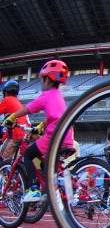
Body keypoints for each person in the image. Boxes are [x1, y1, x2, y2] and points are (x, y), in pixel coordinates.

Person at [3, 60, 75, 203]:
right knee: (45, 164)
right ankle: (50, 190)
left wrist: (12, 116)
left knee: (28, 155)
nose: (42, 83)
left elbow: (30, 108)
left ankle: (34, 189)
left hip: (54, 136)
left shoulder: (47, 95)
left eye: (42, 79)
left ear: (47, 80)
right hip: (67, 137)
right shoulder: (59, 98)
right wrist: (41, 126)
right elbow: (55, 116)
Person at [0, 80, 30, 160]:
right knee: (14, 164)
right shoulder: (19, 103)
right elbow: (10, 128)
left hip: (15, 136)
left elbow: (12, 130)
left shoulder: (7, 100)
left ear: (5, 93)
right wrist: (2, 140)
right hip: (25, 135)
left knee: (2, 160)